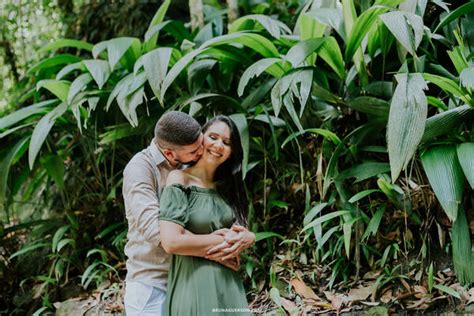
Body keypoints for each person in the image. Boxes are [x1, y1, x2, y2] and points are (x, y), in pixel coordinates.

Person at [122, 111, 254, 315]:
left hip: (190, 275)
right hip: (152, 282)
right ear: (169, 154)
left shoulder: (190, 164)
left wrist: (247, 236)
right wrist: (217, 251)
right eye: (195, 150)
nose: (202, 152)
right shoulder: (140, 169)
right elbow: (156, 231)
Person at [160, 115, 255, 315]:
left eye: (227, 142)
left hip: (229, 285)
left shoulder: (228, 188)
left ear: (232, 152)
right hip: (194, 283)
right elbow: (171, 242)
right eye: (213, 137)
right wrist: (218, 240)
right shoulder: (179, 179)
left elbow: (239, 232)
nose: (219, 145)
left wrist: (249, 237)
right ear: (200, 138)